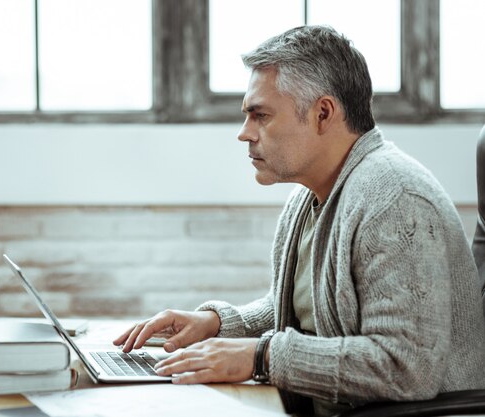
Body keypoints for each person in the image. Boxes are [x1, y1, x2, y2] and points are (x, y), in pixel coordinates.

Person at [113, 25, 485, 416]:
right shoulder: (308, 197)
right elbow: (309, 310)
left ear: (323, 113)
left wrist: (260, 356)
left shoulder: (394, 199)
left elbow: (405, 368)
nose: (244, 133)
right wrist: (219, 324)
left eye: (261, 116)